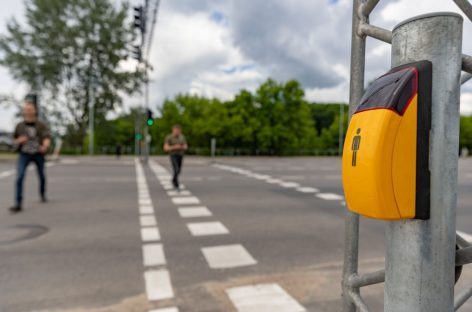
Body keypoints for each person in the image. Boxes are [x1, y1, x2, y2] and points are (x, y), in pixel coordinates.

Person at [10, 95, 51, 213]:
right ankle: (18, 203)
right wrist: (19, 140)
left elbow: (46, 137)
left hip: (38, 153)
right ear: (24, 111)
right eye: (26, 109)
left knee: (41, 175)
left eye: (30, 109)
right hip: (24, 153)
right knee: (19, 176)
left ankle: (42, 193)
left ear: (35, 111)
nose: (28, 111)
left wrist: (45, 146)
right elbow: (14, 140)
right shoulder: (19, 126)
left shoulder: (40, 125)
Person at [163, 125, 187, 190]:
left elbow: (185, 146)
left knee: (179, 170)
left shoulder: (182, 137)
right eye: (176, 130)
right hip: (173, 155)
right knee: (176, 169)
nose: (177, 131)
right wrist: (174, 147)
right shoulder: (169, 137)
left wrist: (181, 147)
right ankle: (176, 184)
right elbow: (165, 148)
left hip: (180, 155)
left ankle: (173, 180)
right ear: (173, 130)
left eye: (178, 130)